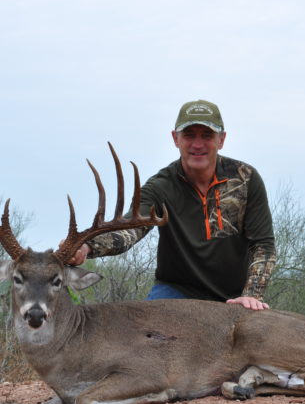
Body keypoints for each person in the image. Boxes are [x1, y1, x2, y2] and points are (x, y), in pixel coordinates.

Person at [70, 99, 276, 310]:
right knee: (144, 336)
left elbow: (263, 245)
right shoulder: (160, 187)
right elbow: (129, 230)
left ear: (221, 140)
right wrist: (87, 245)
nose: (197, 144)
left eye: (207, 135)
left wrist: (252, 295)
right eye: (189, 135)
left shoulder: (245, 179)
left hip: (232, 297)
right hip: (176, 291)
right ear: (175, 139)